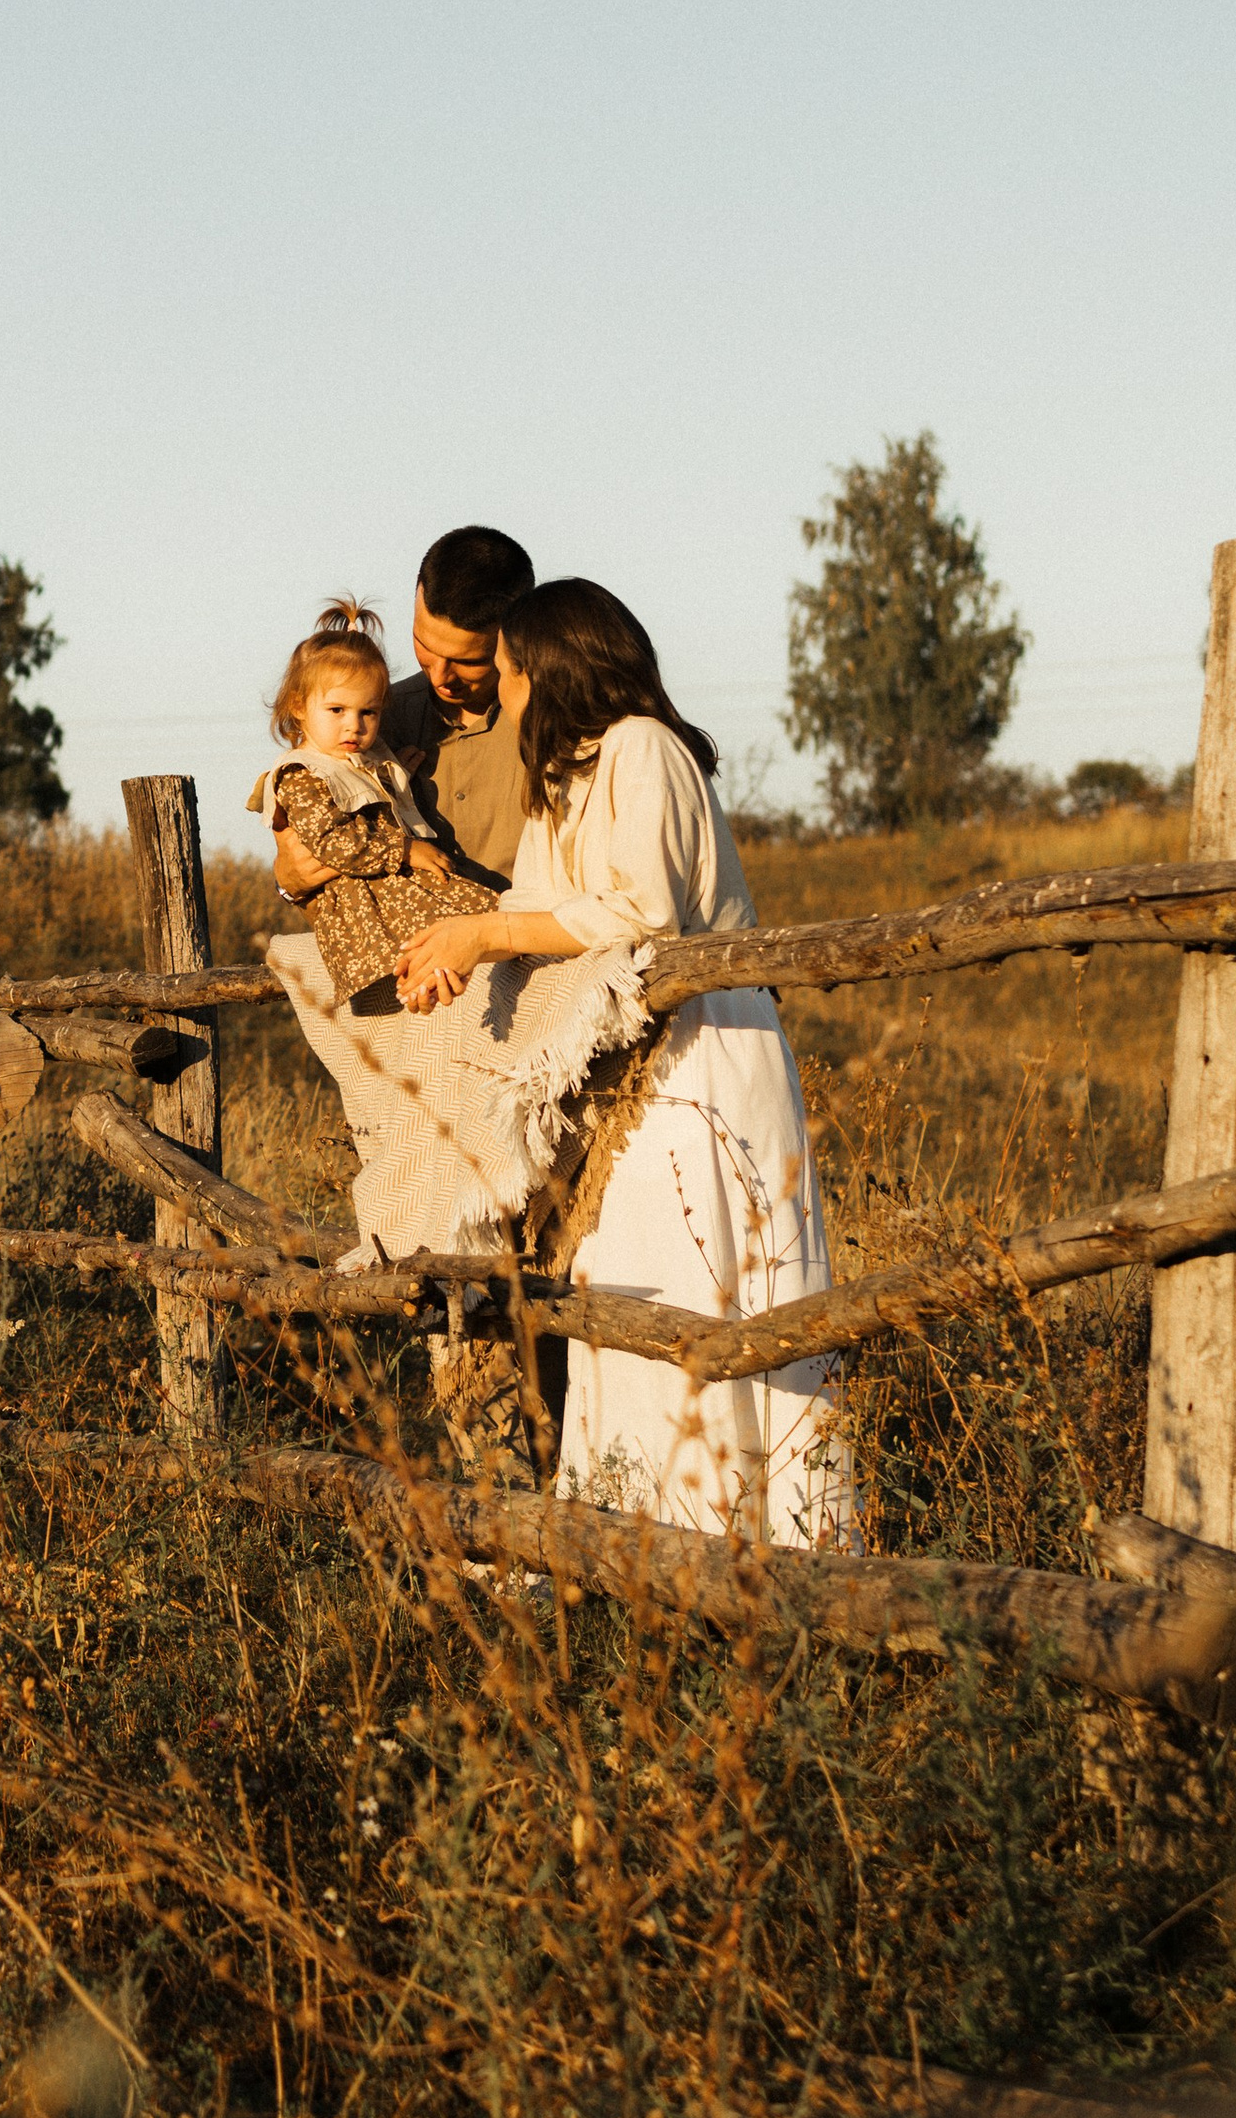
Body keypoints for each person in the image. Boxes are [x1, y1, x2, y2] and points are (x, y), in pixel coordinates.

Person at [393, 577, 851, 1546]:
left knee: (698, 1275)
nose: (500, 696)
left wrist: (485, 933)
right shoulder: (563, 775)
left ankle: (749, 1538)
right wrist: (459, 953)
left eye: (509, 674)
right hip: (627, 1060)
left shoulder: (642, 748)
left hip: (698, 1048)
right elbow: (540, 913)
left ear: (548, 672)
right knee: (629, 1282)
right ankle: (645, 1537)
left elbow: (640, 913)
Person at [260, 526, 537, 1263]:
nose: (440, 674)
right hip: (423, 994)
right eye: (425, 647)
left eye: (466, 661)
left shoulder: (545, 723)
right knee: (439, 1201)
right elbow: (300, 863)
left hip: (523, 981)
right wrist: (301, 871)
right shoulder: (373, 714)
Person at [244, 604, 496, 1004]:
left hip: (393, 893)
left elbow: (371, 806)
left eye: (369, 712)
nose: (354, 725)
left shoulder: (363, 759)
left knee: (487, 919)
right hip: (370, 908)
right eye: (337, 710)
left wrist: (399, 779)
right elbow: (333, 840)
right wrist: (405, 849)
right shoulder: (302, 774)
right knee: (456, 935)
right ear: (297, 706)